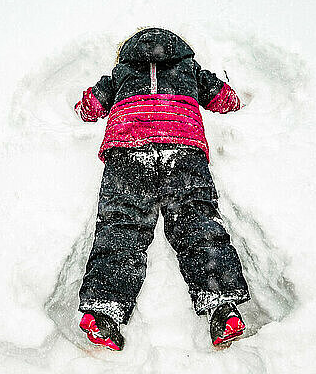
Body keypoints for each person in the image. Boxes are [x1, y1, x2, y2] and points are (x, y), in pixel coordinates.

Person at [74, 28, 250, 350]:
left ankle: (104, 310)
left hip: (128, 151)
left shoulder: (121, 73)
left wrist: (89, 104)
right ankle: (223, 307)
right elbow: (225, 99)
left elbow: (89, 107)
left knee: (121, 228)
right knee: (197, 225)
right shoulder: (190, 70)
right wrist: (232, 97)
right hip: (184, 150)